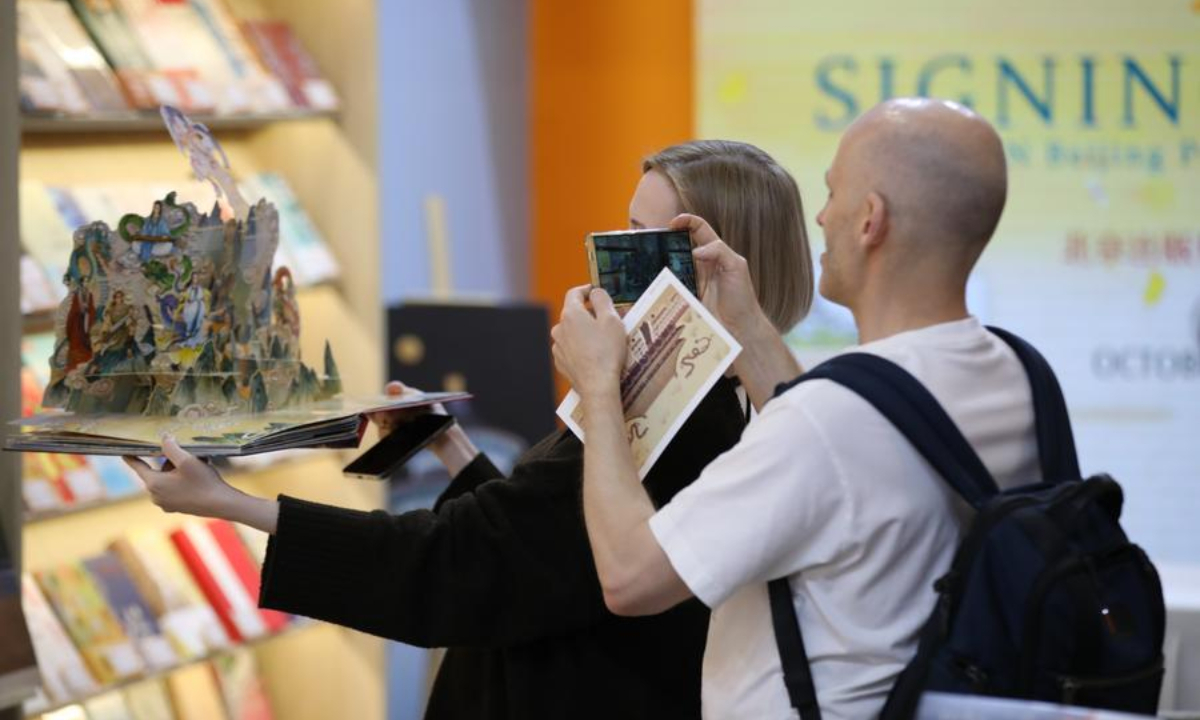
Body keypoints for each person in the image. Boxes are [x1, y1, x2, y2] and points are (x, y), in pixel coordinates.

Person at [125, 139, 814, 719]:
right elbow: (540, 546)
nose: (614, 260)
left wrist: (228, 504)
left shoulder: (678, 417)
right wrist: (454, 449)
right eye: (623, 229)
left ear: (717, 265)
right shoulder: (704, 401)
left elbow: (465, 562)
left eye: (646, 243)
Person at [552, 98, 1040, 719]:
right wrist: (749, 328)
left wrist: (598, 387)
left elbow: (629, 575)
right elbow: (840, 445)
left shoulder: (830, 421)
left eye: (833, 193)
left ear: (870, 220)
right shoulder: (1017, 375)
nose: (819, 215)